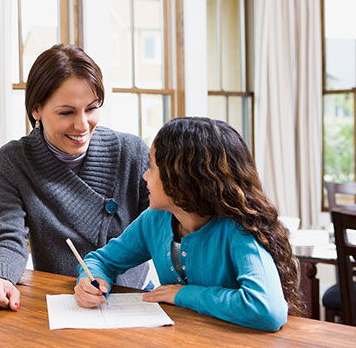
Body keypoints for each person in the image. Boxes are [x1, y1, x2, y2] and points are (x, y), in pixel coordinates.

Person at [73, 117, 302, 332]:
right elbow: (102, 260)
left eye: (152, 167)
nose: (144, 176)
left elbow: (267, 310)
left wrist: (182, 294)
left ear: (182, 178)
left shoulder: (238, 229)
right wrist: (91, 279)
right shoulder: (155, 220)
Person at [0, 44, 151, 311]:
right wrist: (0, 278)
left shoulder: (133, 153)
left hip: (132, 299)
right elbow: (10, 236)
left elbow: (165, 231)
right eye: (67, 112)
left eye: (91, 109)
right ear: (37, 110)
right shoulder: (13, 161)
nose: (81, 125)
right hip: (60, 304)